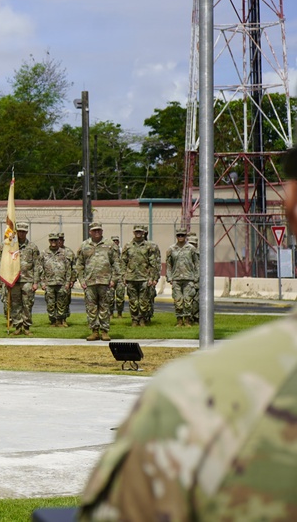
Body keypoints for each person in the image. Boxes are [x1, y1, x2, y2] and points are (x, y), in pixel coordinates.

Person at [79, 148, 297, 521]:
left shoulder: (194, 399)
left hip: (174, 284)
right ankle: (122, 325)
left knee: (168, 303)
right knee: (131, 306)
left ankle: (174, 319)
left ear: (290, 206)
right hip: (126, 281)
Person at [0, 221, 41, 335]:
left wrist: (36, 282)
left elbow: (37, 265)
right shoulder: (10, 246)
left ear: (27, 232)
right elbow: (1, 262)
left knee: (27, 304)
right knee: (15, 305)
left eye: (23, 232)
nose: (21, 234)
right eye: (19, 231)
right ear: (16, 232)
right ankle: (18, 326)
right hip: (13, 280)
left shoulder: (32, 247)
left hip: (27, 280)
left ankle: (26, 327)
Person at [75, 222, 120, 341]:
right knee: (91, 308)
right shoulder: (84, 245)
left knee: (105, 307)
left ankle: (105, 331)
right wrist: (81, 279)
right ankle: (94, 331)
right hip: (89, 282)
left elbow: (116, 263)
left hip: (105, 281)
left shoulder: (110, 245)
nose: (97, 232)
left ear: (102, 231)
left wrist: (114, 279)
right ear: (90, 232)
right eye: (94, 230)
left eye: (99, 230)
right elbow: (79, 265)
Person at [122, 224, 160, 327]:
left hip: (144, 278)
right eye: (136, 231)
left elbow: (152, 263)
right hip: (131, 278)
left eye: (140, 231)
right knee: (133, 301)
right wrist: (123, 276)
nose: (138, 233)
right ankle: (134, 320)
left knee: (144, 302)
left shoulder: (148, 246)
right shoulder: (128, 246)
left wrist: (152, 277)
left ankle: (142, 319)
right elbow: (123, 262)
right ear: (133, 232)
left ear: (143, 233)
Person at [166, 227, 199, 327]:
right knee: (178, 301)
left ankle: (188, 320)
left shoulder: (191, 248)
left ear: (185, 236)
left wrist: (196, 277)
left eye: (182, 235)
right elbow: (168, 265)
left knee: (188, 301)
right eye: (179, 235)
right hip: (176, 279)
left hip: (189, 278)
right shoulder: (171, 249)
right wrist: (169, 277)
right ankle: (179, 321)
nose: (180, 237)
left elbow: (197, 264)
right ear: (176, 236)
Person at [41, 233, 72, 327]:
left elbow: (68, 269)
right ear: (49, 241)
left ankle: (60, 320)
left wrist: (68, 282)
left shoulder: (64, 253)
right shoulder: (44, 253)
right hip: (49, 283)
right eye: (52, 240)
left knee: (61, 303)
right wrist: (42, 282)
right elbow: (40, 269)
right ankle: (53, 321)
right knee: (50, 304)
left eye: (55, 240)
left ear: (58, 241)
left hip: (61, 282)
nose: (53, 242)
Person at [57, 231, 75, 327]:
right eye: (58, 240)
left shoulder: (69, 252)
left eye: (61, 239)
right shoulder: (51, 251)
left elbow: (74, 267)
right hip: (54, 281)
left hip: (66, 281)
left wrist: (72, 280)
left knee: (65, 301)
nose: (59, 241)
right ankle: (56, 320)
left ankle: (64, 319)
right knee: (54, 301)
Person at [109, 235, 126, 318]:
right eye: (114, 241)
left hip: (120, 277)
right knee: (110, 297)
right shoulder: (108, 251)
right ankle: (111, 313)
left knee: (120, 296)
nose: (115, 242)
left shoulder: (122, 251)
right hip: (111, 276)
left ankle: (120, 313)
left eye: (116, 241)